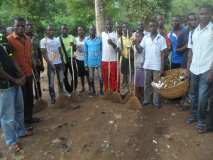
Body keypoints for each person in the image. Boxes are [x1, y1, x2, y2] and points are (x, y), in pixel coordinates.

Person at [0, 26, 32, 152]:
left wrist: (20, 73)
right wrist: (15, 80)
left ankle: (21, 131)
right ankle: (11, 141)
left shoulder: (4, 42)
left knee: (19, 108)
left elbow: (12, 57)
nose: (2, 32)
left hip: (15, 81)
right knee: (8, 115)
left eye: (2, 30)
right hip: (4, 85)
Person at [185, 6, 213, 133]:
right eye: (201, 14)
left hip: (207, 70)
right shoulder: (193, 32)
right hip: (194, 68)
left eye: (206, 14)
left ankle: (201, 122)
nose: (203, 16)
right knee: (193, 95)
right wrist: (187, 69)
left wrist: (212, 71)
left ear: (211, 15)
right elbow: (190, 52)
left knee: (202, 97)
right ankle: (194, 115)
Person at [7, 17, 38, 126]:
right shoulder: (9, 40)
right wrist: (18, 73)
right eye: (18, 25)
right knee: (21, 100)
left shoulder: (28, 39)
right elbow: (10, 59)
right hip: (19, 76)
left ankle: (29, 118)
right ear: (13, 26)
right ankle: (22, 122)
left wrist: (33, 64)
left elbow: (30, 54)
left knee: (30, 97)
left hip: (29, 72)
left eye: (23, 26)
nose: (21, 28)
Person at [141, 20, 167, 107]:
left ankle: (156, 101)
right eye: (151, 26)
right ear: (148, 28)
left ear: (157, 27)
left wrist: (162, 67)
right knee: (146, 83)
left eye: (154, 26)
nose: (152, 28)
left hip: (157, 66)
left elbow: (163, 54)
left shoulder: (161, 39)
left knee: (156, 84)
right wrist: (135, 43)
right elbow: (141, 50)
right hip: (147, 65)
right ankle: (146, 100)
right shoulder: (145, 38)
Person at [40, 25, 68, 104]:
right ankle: (53, 97)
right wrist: (49, 62)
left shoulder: (57, 40)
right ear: (46, 31)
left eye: (52, 30)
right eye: (49, 30)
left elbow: (60, 52)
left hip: (59, 63)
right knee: (51, 82)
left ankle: (63, 95)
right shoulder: (43, 41)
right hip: (51, 64)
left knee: (61, 79)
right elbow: (44, 53)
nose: (51, 31)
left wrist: (62, 62)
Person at [25, 21, 44, 100]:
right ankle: (30, 99)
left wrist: (42, 63)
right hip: (27, 63)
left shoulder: (35, 37)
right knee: (29, 82)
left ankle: (38, 95)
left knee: (37, 79)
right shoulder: (23, 36)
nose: (29, 27)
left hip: (36, 62)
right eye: (27, 25)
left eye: (30, 25)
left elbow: (39, 50)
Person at [58, 24, 77, 93]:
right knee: (64, 76)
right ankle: (69, 90)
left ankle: (73, 88)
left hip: (71, 59)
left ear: (68, 30)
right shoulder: (58, 39)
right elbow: (57, 51)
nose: (64, 30)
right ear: (60, 30)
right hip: (63, 60)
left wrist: (73, 45)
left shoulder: (72, 37)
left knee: (74, 75)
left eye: (66, 29)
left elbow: (75, 49)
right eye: (63, 29)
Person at [84, 26, 103, 96]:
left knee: (101, 77)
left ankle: (101, 91)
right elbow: (85, 53)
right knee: (91, 77)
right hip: (90, 63)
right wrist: (85, 64)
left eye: (93, 30)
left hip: (98, 62)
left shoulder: (99, 39)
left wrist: (102, 60)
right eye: (91, 30)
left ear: (95, 31)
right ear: (89, 31)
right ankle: (93, 91)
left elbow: (102, 50)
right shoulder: (86, 40)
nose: (92, 31)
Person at [101, 19, 118, 93]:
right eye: (107, 24)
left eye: (110, 24)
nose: (109, 26)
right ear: (105, 25)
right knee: (105, 77)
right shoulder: (102, 34)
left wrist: (112, 43)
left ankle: (114, 91)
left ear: (112, 25)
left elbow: (118, 49)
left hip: (113, 59)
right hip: (104, 59)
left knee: (113, 77)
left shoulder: (115, 34)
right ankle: (107, 91)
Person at [117, 23, 132, 97]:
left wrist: (130, 48)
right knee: (124, 76)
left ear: (128, 28)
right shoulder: (120, 39)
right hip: (124, 59)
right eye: (123, 28)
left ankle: (130, 91)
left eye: (125, 27)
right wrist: (119, 51)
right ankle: (123, 91)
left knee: (130, 76)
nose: (124, 29)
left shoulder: (131, 38)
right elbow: (119, 51)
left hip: (131, 60)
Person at [74, 26, 90, 93]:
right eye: (79, 30)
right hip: (78, 59)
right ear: (77, 32)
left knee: (88, 74)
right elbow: (74, 49)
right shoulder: (75, 39)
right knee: (81, 75)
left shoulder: (87, 39)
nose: (80, 31)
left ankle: (90, 87)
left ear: (83, 31)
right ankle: (83, 87)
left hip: (86, 59)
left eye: (81, 30)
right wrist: (74, 48)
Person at [132, 31, 144, 103]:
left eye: (138, 36)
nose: (137, 38)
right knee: (136, 85)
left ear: (142, 37)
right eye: (136, 36)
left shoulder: (143, 45)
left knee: (142, 85)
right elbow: (132, 56)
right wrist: (130, 48)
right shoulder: (134, 45)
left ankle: (142, 98)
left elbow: (139, 51)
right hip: (136, 67)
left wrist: (135, 44)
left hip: (142, 68)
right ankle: (137, 99)